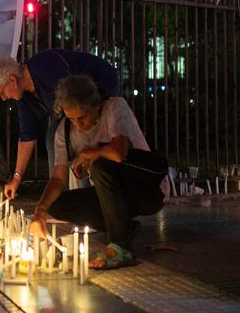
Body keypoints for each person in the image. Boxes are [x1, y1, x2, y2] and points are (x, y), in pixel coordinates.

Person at [28, 75, 167, 269]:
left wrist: (88, 153)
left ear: (96, 105)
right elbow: (58, 179)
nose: (78, 125)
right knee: (56, 205)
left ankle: (122, 247)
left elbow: (119, 153)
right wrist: (39, 211)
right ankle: (124, 228)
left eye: (82, 117)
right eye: (71, 118)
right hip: (112, 195)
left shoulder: (114, 107)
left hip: (146, 190)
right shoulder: (64, 131)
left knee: (101, 165)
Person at [0, 49, 119, 199]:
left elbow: (75, 101)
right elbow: (27, 138)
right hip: (71, 110)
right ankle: (62, 195)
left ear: (12, 80)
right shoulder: (24, 98)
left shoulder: (46, 67)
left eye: (1, 92)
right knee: (54, 136)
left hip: (99, 88)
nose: (4, 99)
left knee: (64, 136)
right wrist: (16, 178)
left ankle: (82, 196)